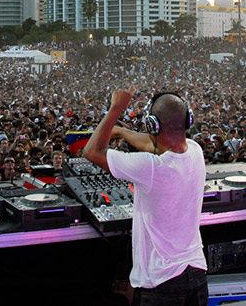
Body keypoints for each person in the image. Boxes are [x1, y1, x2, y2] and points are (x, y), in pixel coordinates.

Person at [84, 87, 207, 305]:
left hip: (162, 282)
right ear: (188, 120)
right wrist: (122, 132)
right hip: (196, 273)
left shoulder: (151, 168)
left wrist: (115, 109)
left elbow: (92, 152)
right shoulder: (195, 151)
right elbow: (153, 143)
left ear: (152, 125)